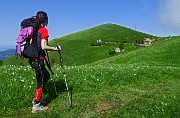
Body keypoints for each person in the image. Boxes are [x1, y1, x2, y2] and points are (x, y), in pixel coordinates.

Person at [29, 11, 61, 113]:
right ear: (46, 20)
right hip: (39, 59)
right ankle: (36, 104)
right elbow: (44, 46)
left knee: (45, 76)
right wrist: (56, 49)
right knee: (41, 80)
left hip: (32, 59)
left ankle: (37, 99)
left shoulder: (34, 29)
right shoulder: (43, 30)